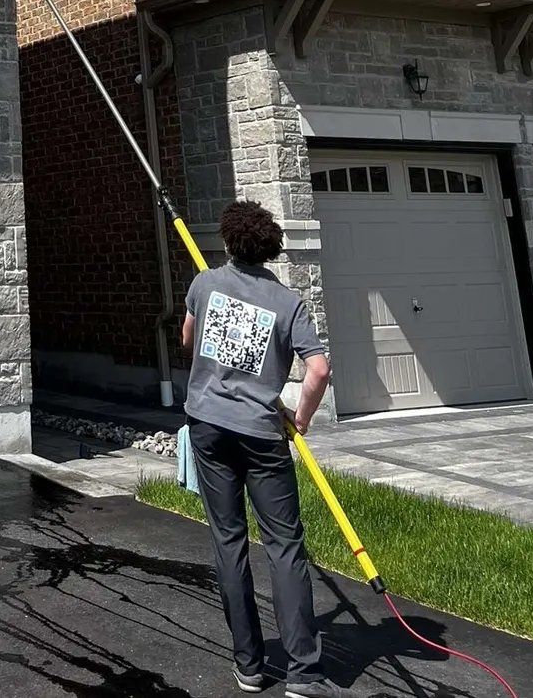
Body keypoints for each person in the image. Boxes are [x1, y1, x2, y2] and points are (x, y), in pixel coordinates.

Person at [183, 200, 336, 698]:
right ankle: (303, 674)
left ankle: (249, 665)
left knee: (229, 542)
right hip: (262, 432)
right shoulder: (287, 302)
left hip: (209, 426)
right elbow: (318, 368)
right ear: (268, 250)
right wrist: (303, 417)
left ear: (229, 241)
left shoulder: (205, 285)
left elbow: (188, 340)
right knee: (285, 548)